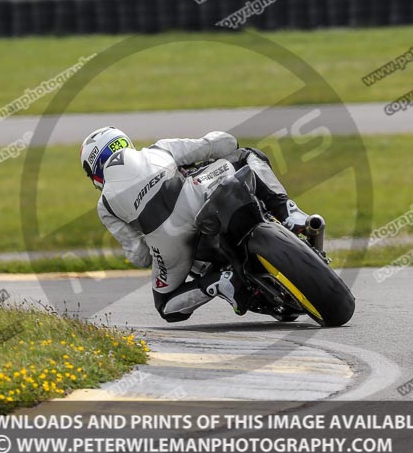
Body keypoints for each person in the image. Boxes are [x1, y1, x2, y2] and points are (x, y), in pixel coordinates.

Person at [80, 126, 309, 323]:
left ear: (95, 171)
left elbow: (140, 256)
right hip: (197, 195)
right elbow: (220, 143)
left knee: (166, 306)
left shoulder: (106, 204)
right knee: (248, 155)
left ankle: (220, 283)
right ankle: (290, 212)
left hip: (169, 242)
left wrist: (152, 246)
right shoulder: (158, 149)